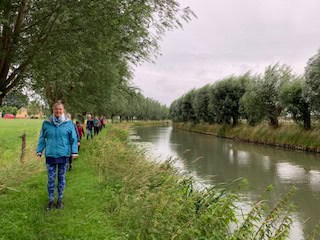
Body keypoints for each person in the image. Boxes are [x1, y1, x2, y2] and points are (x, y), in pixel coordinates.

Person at [36, 101, 78, 210]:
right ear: (53, 110)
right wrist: (39, 150)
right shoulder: (46, 123)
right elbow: (42, 137)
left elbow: (73, 139)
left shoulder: (68, 123)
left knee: (61, 178)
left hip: (63, 155)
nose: (58, 111)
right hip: (50, 155)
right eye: (56, 109)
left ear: (63, 110)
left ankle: (59, 199)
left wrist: (74, 151)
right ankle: (51, 200)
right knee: (51, 179)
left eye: (60, 109)